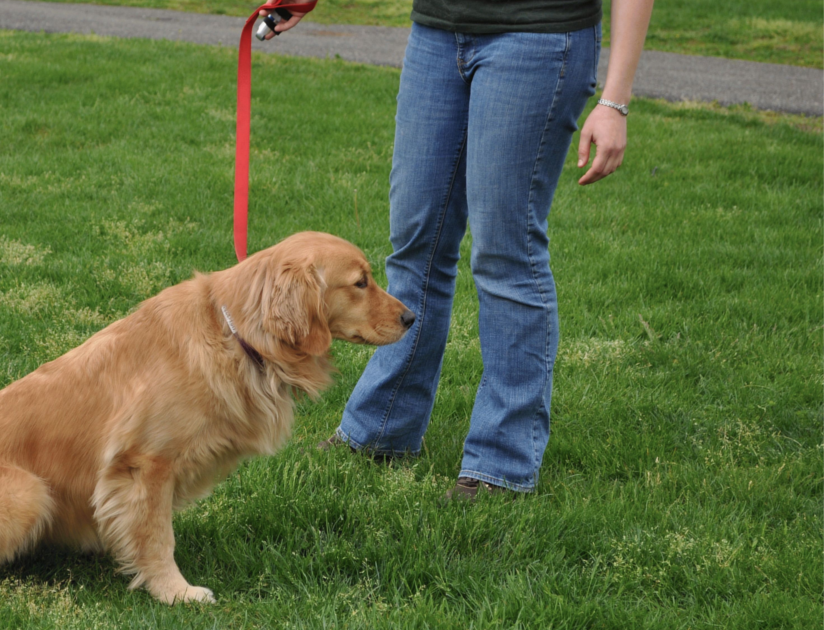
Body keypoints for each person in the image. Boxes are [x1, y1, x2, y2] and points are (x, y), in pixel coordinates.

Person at [267, 0, 654, 497]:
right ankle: (382, 429)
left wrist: (615, 99)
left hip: (538, 34)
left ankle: (502, 462)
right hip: (438, 31)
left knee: (505, 252)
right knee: (414, 245)